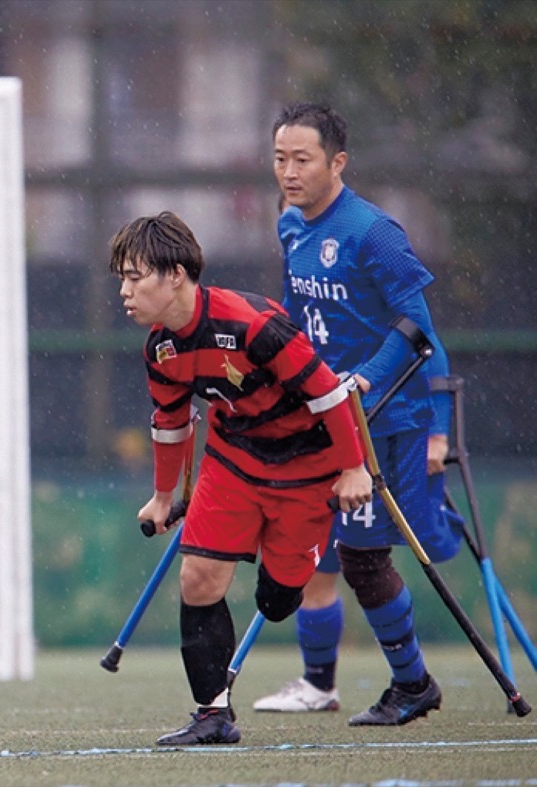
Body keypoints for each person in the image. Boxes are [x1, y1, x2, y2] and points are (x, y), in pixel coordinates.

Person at [111, 211, 372, 746]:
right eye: (123, 278)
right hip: (233, 458)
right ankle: (213, 716)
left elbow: (328, 394)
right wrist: (163, 497)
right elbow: (171, 422)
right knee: (198, 578)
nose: (125, 291)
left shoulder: (253, 323)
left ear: (177, 274)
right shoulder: (161, 348)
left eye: (135, 277)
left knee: (276, 602)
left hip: (307, 465)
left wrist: (353, 467)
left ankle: (284, 577)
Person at [252, 103, 462, 725]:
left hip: (384, 422)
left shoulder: (374, 233)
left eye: (302, 159)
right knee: (314, 552)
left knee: (367, 557)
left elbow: (418, 328)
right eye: (280, 159)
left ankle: (413, 684)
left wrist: (364, 381)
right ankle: (320, 683)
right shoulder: (291, 225)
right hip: (321, 415)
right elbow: (297, 311)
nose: (288, 172)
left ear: (337, 162)